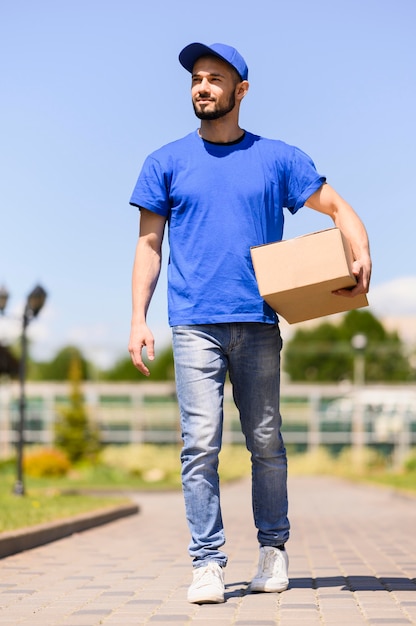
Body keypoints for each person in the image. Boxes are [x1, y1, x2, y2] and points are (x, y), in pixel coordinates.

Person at [128, 42, 371, 604]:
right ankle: (207, 562)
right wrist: (138, 317)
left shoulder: (278, 158)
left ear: (241, 91)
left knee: (265, 440)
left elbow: (336, 206)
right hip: (193, 324)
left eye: (215, 78)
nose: (202, 87)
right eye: (196, 79)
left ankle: (273, 550)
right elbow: (148, 245)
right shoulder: (164, 162)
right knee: (200, 445)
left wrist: (359, 241)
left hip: (260, 321)